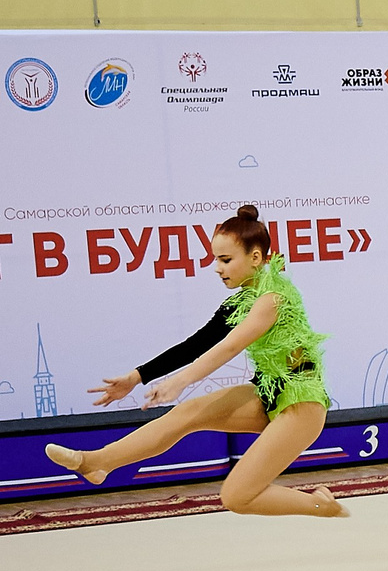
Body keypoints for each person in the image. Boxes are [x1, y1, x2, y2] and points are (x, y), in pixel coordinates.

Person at [47, 205, 350, 519]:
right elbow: (195, 345)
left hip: (301, 405)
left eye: (226, 260)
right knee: (187, 414)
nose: (217, 268)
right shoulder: (239, 301)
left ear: (256, 258)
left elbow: (230, 348)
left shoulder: (273, 298)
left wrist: (180, 381)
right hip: (268, 393)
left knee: (236, 497)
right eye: (215, 259)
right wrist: (137, 377)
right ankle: (97, 463)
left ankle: (321, 504)